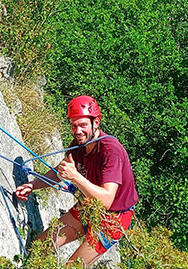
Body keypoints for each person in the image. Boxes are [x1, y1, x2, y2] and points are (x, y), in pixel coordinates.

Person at [15, 95, 138, 267]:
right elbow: (61, 171)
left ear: (96, 123)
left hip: (113, 219)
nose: (77, 131)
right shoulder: (79, 145)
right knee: (39, 247)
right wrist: (32, 185)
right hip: (87, 206)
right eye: (73, 125)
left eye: (83, 125)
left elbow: (106, 200)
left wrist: (74, 176)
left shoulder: (111, 151)